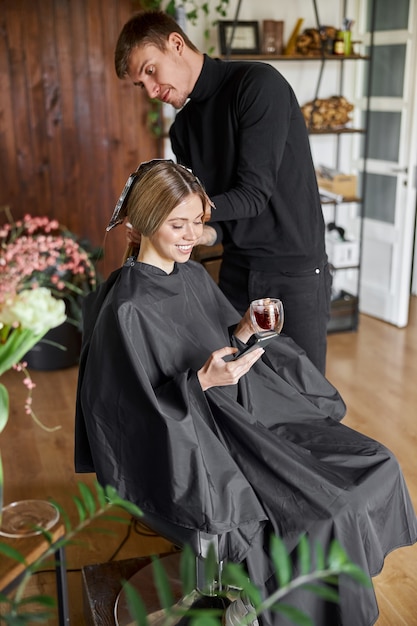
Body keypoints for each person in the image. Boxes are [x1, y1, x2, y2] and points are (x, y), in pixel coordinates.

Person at [75, 160, 417, 626]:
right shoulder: (127, 307)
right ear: (139, 225)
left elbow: (210, 345)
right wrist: (200, 384)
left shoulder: (191, 276)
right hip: (198, 446)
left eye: (198, 223)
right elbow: (124, 416)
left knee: (376, 464)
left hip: (243, 417)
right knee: (328, 511)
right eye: (178, 224)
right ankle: (255, 601)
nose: (191, 236)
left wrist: (240, 331)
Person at [114, 10, 332, 375]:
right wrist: (181, 234)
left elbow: (252, 196)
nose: (151, 91)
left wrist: (172, 216)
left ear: (176, 44)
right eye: (141, 85)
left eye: (150, 71)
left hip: (292, 274)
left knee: (305, 397)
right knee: (240, 392)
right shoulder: (183, 129)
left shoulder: (258, 86)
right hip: (236, 270)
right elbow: (223, 218)